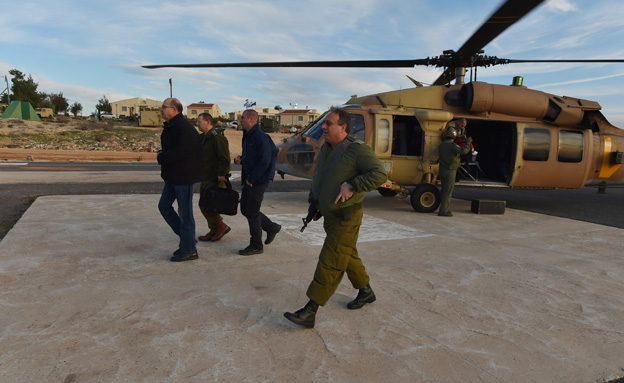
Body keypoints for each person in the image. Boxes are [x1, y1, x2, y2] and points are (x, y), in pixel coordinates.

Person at [283, 107, 387, 328]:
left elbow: (379, 174)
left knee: (330, 260)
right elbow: (320, 178)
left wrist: (353, 185)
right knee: (346, 255)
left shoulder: (357, 150)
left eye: (329, 124)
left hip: (346, 217)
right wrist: (315, 203)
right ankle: (366, 291)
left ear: (344, 127)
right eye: (324, 123)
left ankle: (310, 310)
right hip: (330, 215)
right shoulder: (326, 149)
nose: (324, 127)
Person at [157, 98, 204, 262]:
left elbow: (181, 151)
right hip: (172, 177)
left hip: (183, 177)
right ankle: (188, 240)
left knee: (185, 214)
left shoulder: (183, 127)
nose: (161, 109)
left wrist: (161, 157)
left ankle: (189, 249)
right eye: (161, 107)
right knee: (163, 206)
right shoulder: (172, 126)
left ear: (175, 110)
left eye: (164, 107)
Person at [233, 109, 281, 256]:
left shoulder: (260, 137)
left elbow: (265, 161)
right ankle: (271, 227)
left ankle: (256, 245)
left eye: (242, 118)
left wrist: (252, 179)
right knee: (246, 210)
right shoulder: (248, 136)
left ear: (252, 120)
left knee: (251, 212)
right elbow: (253, 156)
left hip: (257, 180)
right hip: (251, 179)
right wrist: (241, 159)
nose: (240, 120)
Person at [196, 112, 232, 242]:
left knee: (206, 204)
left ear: (208, 122)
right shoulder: (204, 137)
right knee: (206, 204)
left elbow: (225, 157)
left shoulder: (217, 138)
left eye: (199, 121)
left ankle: (221, 226)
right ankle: (214, 229)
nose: (197, 124)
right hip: (206, 175)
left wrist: (222, 174)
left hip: (215, 177)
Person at [438, 126, 472, 217]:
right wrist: (468, 142)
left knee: (444, 189)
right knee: (448, 191)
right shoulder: (452, 145)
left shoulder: (442, 145)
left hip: (442, 169)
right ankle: (444, 210)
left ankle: (443, 207)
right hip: (450, 170)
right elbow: (464, 151)